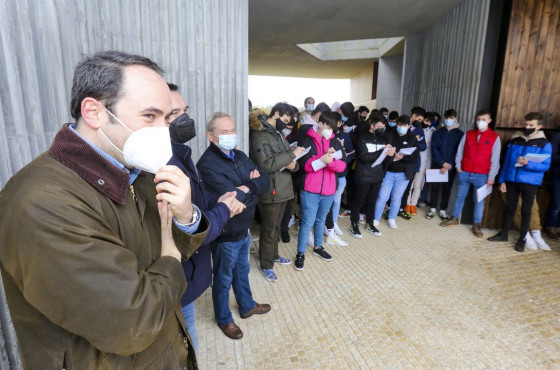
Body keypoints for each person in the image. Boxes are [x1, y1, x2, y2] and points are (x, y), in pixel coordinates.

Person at [0, 51, 208, 369]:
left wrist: (187, 218)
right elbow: (132, 324)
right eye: (149, 116)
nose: (163, 132)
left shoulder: (140, 172)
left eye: (167, 119)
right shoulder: (40, 203)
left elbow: (169, 246)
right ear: (95, 112)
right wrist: (169, 262)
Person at [167, 83, 245, 353]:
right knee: (188, 348)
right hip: (176, 278)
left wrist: (229, 196)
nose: (185, 118)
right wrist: (225, 206)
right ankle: (224, 317)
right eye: (174, 112)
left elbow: (256, 182)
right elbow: (191, 227)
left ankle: (245, 305)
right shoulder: (167, 164)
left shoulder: (182, 155)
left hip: (188, 276)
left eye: (185, 110)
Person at [197, 112, 271, 340]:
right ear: (211, 136)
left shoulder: (239, 155)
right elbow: (231, 200)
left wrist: (246, 188)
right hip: (226, 231)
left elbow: (265, 180)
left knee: (242, 271)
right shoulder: (207, 164)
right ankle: (224, 318)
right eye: (224, 132)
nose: (231, 135)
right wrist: (251, 186)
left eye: (233, 130)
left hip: (243, 226)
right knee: (223, 277)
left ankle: (246, 305)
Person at [249, 103, 303, 282]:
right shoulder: (260, 134)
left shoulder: (278, 134)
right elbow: (266, 163)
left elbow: (288, 156)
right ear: (277, 113)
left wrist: (294, 164)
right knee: (269, 229)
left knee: (278, 227)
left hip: (283, 187)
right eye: (285, 119)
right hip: (271, 189)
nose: (287, 124)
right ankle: (266, 265)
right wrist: (291, 156)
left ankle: (273, 255)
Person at [488, 112, 552, 252]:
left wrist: (528, 164)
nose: (527, 127)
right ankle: (504, 234)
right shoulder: (516, 140)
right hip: (512, 180)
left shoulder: (545, 144)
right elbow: (506, 163)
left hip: (530, 183)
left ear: (539, 126)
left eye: (531, 125)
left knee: (526, 211)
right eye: (526, 124)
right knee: (511, 208)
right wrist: (502, 180)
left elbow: (545, 165)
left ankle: (522, 239)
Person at [295, 111, 347, 271]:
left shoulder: (335, 142)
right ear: (320, 123)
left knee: (321, 219)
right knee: (307, 222)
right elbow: (305, 165)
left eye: (333, 128)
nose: (330, 131)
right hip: (310, 189)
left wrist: (330, 162)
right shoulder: (307, 139)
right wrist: (322, 159)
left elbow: (342, 165)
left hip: (329, 189)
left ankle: (318, 247)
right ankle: (300, 253)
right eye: (328, 126)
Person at [440, 109, 501, 238]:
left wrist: (491, 177)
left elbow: (495, 160)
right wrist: (458, 167)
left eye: (483, 120)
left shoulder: (494, 137)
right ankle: (455, 218)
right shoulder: (468, 134)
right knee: (460, 196)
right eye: (478, 119)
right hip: (465, 172)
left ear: (489, 121)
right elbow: (460, 152)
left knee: (478, 201)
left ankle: (476, 224)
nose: (480, 122)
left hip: (482, 175)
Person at [350, 113, 396, 238]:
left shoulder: (383, 140)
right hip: (363, 175)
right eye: (380, 126)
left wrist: (390, 155)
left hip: (377, 176)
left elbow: (385, 162)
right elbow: (365, 157)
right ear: (372, 125)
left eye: (384, 126)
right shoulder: (362, 138)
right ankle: (354, 224)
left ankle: (370, 223)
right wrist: (382, 151)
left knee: (371, 201)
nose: (383, 129)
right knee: (358, 201)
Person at [373, 115, 419, 229]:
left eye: (404, 125)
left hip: (403, 174)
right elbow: (382, 149)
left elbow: (414, 157)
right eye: (399, 125)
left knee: (396, 197)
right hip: (388, 171)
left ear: (408, 126)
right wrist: (390, 153)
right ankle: (376, 218)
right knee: (382, 197)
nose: (401, 127)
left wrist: (401, 157)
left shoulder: (412, 138)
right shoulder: (389, 135)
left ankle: (392, 218)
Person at [426, 109, 464, 220]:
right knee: (435, 188)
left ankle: (443, 210)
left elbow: (458, 151)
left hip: (451, 167)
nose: (449, 120)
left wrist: (449, 164)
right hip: (437, 164)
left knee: (447, 189)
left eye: (451, 118)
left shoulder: (460, 134)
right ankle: (432, 208)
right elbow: (434, 149)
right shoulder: (438, 133)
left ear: (455, 118)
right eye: (447, 118)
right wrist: (442, 163)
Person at [398, 107, 427, 220]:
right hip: (400, 160)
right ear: (413, 116)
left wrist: (415, 143)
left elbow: (424, 146)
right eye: (419, 119)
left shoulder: (419, 130)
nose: (420, 122)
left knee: (409, 185)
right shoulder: (402, 126)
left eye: (421, 120)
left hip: (413, 161)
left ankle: (405, 207)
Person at [544, 129, 560, 240]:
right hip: (557, 176)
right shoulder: (557, 136)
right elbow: (551, 157)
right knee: (557, 204)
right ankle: (550, 226)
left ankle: (558, 227)